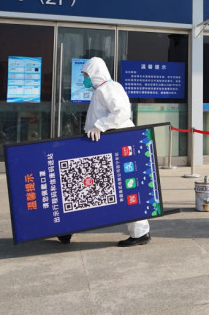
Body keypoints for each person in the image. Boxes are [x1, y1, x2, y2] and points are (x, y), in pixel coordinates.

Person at [57, 56, 151, 247]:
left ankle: (68, 228)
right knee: (94, 188)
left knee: (91, 188)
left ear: (95, 73)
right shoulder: (106, 88)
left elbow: (122, 112)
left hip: (111, 146)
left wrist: (99, 126)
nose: (84, 78)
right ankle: (68, 229)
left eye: (86, 74)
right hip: (107, 145)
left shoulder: (106, 89)